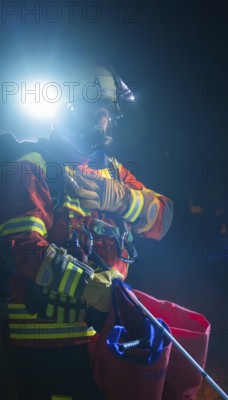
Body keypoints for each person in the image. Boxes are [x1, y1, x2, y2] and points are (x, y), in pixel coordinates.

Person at [0, 63, 174, 399]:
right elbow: (19, 248)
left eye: (106, 110)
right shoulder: (32, 165)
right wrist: (90, 287)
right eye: (91, 108)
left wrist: (122, 198)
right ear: (66, 107)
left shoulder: (113, 172)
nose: (100, 118)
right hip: (47, 347)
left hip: (103, 340)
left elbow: (164, 219)